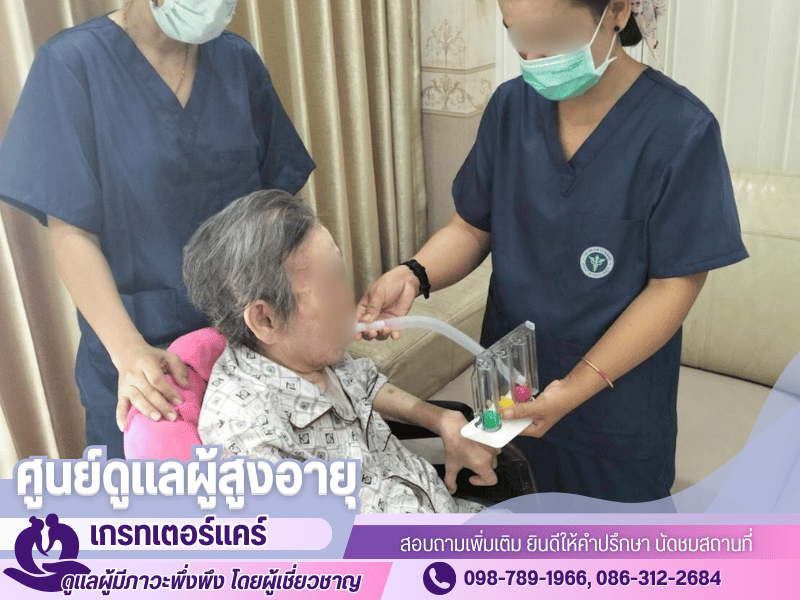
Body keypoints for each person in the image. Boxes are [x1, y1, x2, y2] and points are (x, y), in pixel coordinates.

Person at [356, 0, 749, 503]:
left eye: (552, 35)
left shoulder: (681, 131)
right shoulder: (509, 108)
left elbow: (673, 286)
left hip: (612, 410)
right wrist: (414, 273)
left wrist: (576, 388)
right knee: (518, 526)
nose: (534, 58)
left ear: (617, 10)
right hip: (507, 389)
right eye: (517, 35)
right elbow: (471, 227)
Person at [0, 0, 314, 459]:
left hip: (246, 347)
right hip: (144, 356)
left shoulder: (237, 61)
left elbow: (275, 211)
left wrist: (311, 304)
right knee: (155, 502)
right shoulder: (73, 65)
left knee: (266, 497)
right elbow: (71, 233)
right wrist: (129, 352)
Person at [183, 189, 501, 513]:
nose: (349, 296)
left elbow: (363, 383)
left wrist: (442, 419)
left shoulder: (306, 352)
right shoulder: (249, 442)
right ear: (266, 319)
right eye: (330, 283)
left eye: (341, 271)